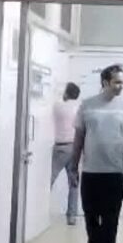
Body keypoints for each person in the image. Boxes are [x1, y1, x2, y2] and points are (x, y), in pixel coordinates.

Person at [70, 64, 123, 243]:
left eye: (121, 82)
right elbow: (79, 138)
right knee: (91, 218)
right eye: (117, 82)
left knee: (110, 220)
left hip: (114, 172)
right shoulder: (87, 105)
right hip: (91, 171)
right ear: (105, 82)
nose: (120, 86)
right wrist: (73, 166)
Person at [51, 82, 82, 225]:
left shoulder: (58, 106)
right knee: (74, 184)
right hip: (74, 148)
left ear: (66, 93)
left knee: (48, 180)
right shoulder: (79, 109)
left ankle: (38, 212)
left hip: (61, 148)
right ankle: (72, 216)